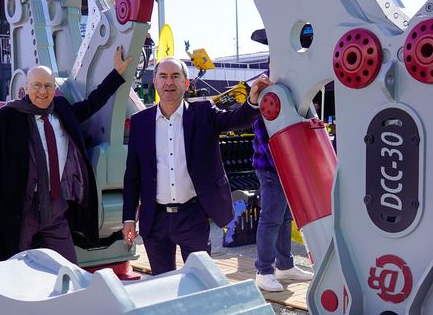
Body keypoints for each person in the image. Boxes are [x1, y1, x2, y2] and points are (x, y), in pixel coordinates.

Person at [0, 48, 130, 263]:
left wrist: (116, 75)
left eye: (48, 86)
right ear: (25, 88)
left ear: (54, 88)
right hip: (20, 209)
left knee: (67, 267)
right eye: (37, 85)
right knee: (16, 268)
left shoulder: (61, 110)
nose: (43, 91)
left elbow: (92, 103)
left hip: (56, 207)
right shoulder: (6, 119)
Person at [122, 57, 268, 275]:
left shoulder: (203, 114)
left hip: (192, 216)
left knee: (200, 279)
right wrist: (128, 218)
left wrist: (253, 101)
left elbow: (237, 119)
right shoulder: (140, 122)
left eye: (175, 76)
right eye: (163, 76)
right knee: (163, 282)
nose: (169, 82)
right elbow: (133, 175)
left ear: (186, 82)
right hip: (155, 219)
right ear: (155, 81)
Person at [251, 116, 312, 291]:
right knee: (270, 220)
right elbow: (269, 146)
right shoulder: (264, 111)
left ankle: (285, 266)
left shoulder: (277, 108)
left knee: (284, 218)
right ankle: (263, 272)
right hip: (271, 170)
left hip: (282, 168)